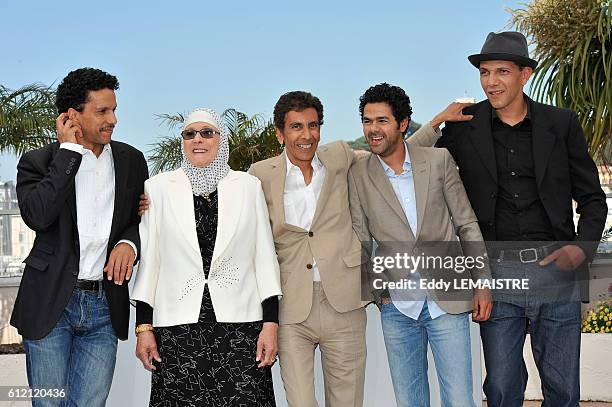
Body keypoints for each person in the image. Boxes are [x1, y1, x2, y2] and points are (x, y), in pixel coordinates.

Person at [247, 91, 473, 406]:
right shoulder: (258, 176)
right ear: (280, 133)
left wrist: (436, 123)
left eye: (313, 126)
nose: (306, 135)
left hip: (345, 300)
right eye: (296, 127)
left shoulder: (339, 156)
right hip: (292, 307)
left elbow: (391, 154)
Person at [436, 31, 608, 407]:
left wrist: (580, 251)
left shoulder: (560, 124)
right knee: (500, 389)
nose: (491, 82)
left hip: (556, 272)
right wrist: (436, 122)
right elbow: (417, 172)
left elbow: (594, 199)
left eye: (502, 71)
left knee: (563, 391)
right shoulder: (462, 127)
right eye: (484, 72)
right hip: (494, 273)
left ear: (525, 74)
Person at [347, 83, 492, 407]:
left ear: (402, 123)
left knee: (459, 400)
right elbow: (361, 237)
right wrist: (376, 290)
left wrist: (482, 284)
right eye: (367, 121)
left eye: (382, 120)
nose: (373, 129)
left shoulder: (438, 161)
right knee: (410, 401)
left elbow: (466, 225)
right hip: (396, 307)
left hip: (447, 301)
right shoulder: (358, 173)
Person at [12, 68, 149, 406]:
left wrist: (129, 243)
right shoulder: (39, 162)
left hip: (105, 305)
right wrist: (68, 154)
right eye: (102, 111)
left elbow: (141, 218)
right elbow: (38, 216)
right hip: (50, 303)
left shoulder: (132, 161)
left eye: (114, 109)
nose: (113, 119)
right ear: (73, 115)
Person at [131, 108, 282, 407]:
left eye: (207, 132)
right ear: (183, 141)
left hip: (241, 326)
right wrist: (143, 328)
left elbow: (264, 257)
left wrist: (271, 324)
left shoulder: (248, 186)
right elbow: (151, 262)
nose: (198, 139)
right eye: (190, 134)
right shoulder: (158, 189)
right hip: (177, 328)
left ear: (220, 139)